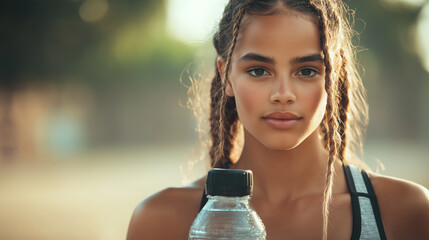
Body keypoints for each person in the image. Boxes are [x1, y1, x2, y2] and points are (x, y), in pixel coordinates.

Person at [126, 0, 429, 239]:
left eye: (306, 71)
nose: (283, 94)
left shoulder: (407, 212)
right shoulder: (162, 220)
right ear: (226, 75)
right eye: (259, 70)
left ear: (332, 77)